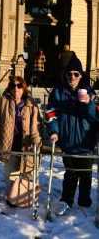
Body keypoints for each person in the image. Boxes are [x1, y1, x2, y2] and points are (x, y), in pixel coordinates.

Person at [45, 57, 98, 216]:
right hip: (67, 140)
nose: (72, 77)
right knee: (70, 172)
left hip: (85, 141)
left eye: (76, 74)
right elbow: (50, 114)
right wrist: (54, 131)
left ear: (81, 76)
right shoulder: (58, 92)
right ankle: (66, 200)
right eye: (69, 74)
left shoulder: (89, 92)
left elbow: (95, 117)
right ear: (65, 75)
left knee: (86, 173)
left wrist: (89, 103)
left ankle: (84, 202)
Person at [0, 76, 41, 203]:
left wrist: (35, 137)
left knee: (29, 172)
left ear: (23, 88)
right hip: (9, 144)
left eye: (19, 86)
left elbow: (36, 123)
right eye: (13, 86)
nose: (16, 89)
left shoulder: (30, 103)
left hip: (27, 144)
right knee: (11, 173)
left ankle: (28, 198)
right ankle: (13, 198)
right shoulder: (4, 101)